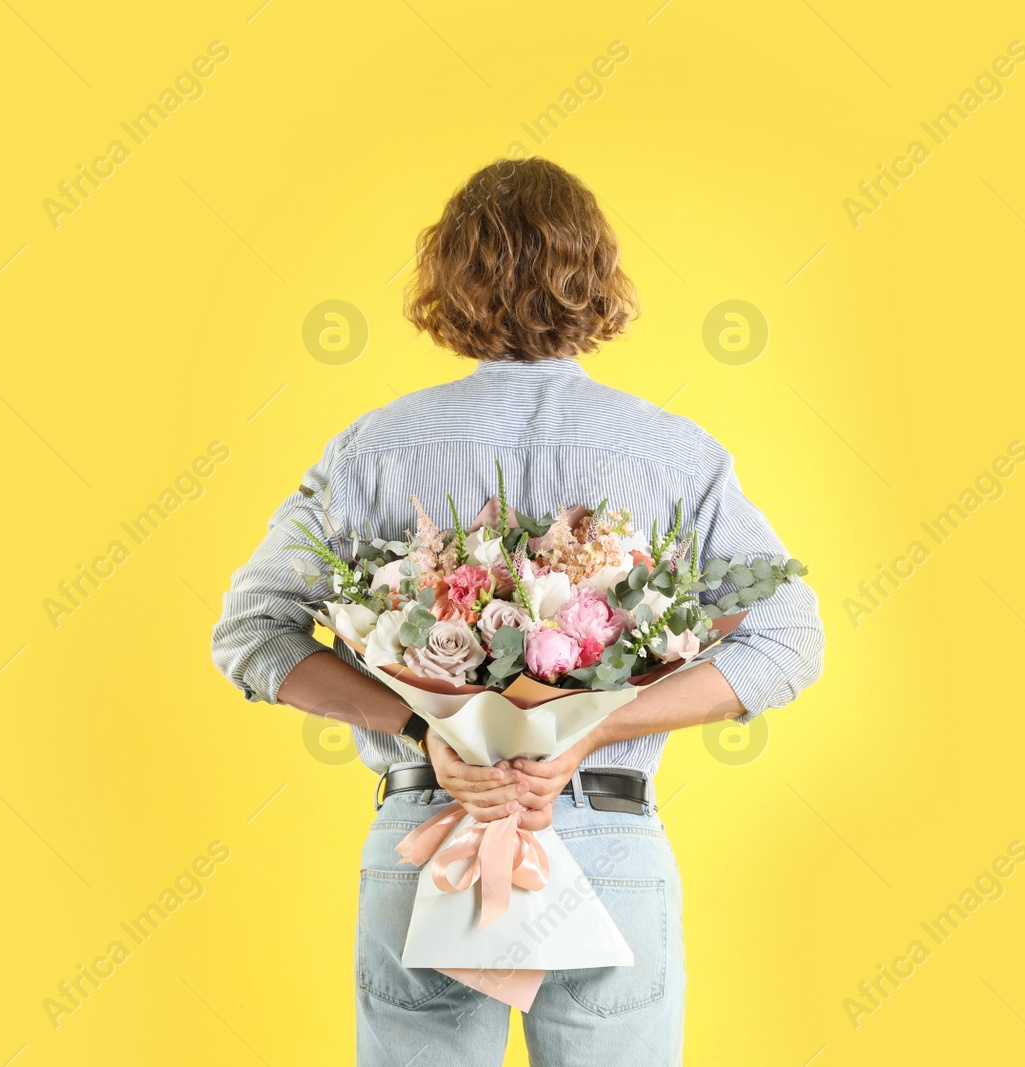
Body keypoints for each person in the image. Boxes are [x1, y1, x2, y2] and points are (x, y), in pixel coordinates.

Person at [211, 157, 824, 1066]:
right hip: (606, 844)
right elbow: (791, 637)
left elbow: (252, 630)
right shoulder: (674, 454)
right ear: (599, 275)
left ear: (448, 280)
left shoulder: (372, 452)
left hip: (428, 840)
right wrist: (594, 728)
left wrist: (428, 733)